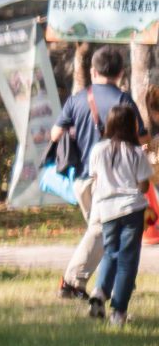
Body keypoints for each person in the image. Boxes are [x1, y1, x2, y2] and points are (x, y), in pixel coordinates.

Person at [54, 46, 142, 301]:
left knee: (105, 231)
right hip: (113, 181)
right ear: (122, 72)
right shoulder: (124, 101)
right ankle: (72, 281)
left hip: (82, 179)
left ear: (93, 71)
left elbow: (55, 134)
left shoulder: (76, 99)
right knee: (102, 231)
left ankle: (114, 282)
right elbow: (141, 136)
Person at [86, 102, 148, 324]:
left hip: (107, 209)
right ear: (132, 126)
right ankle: (118, 312)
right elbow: (143, 186)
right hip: (132, 209)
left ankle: (98, 293)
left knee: (110, 253)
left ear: (109, 124)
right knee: (127, 260)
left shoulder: (98, 150)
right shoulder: (136, 152)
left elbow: (94, 178)